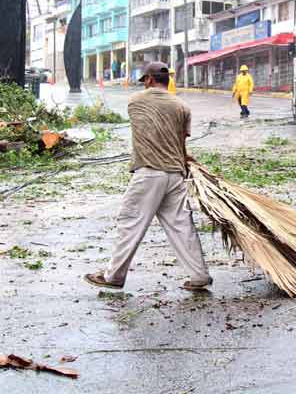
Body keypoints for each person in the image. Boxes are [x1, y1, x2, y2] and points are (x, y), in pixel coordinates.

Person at [85, 62, 212, 291]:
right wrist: (184, 158)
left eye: (145, 80)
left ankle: (113, 276)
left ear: (150, 80)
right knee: (182, 227)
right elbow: (181, 142)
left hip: (149, 173)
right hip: (175, 175)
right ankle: (199, 276)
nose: (144, 84)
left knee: (131, 222)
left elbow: (149, 128)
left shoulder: (136, 101)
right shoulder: (182, 106)